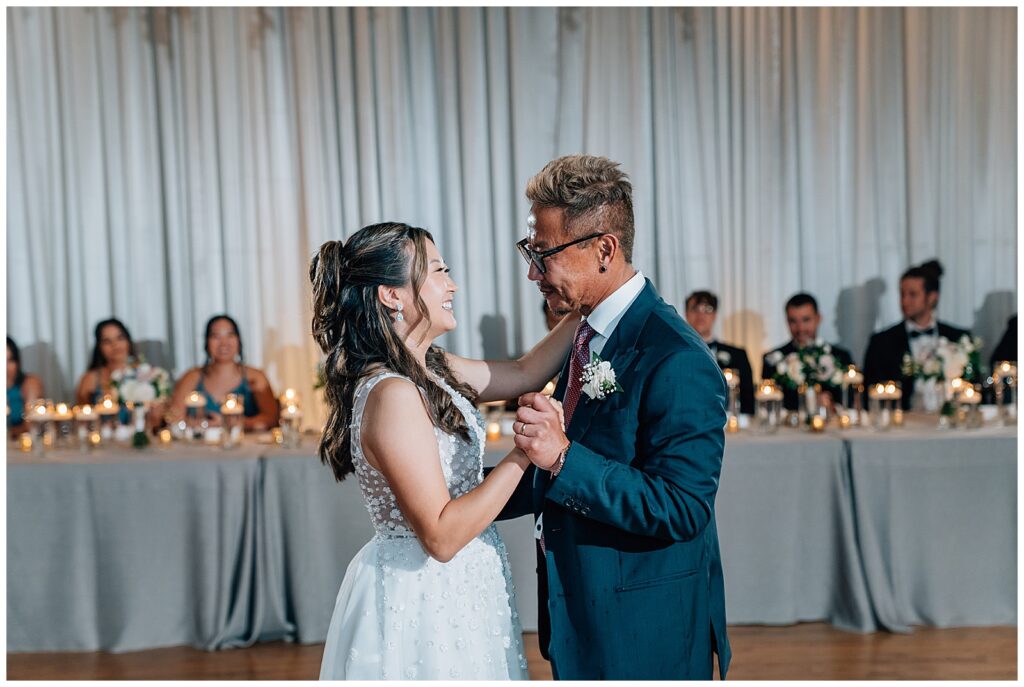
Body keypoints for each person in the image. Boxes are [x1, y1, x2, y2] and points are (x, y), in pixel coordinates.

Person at [312, 222, 579, 680]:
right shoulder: (392, 393)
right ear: (391, 295)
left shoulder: (432, 366)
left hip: (464, 586)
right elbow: (440, 536)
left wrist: (591, 301)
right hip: (422, 596)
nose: (451, 284)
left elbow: (524, 371)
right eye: (437, 271)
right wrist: (525, 451)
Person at [504, 155, 730, 679]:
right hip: (583, 616)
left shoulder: (678, 358)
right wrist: (457, 502)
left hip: (644, 632)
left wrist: (562, 456)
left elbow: (682, 506)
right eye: (530, 252)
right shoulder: (587, 332)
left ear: (604, 248)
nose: (534, 272)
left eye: (545, 254)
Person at [863, 260, 970, 410]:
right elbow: (871, 392)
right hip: (902, 426)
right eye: (902, 294)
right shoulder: (882, 342)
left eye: (912, 295)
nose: (905, 301)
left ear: (932, 297)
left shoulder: (959, 338)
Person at [167, 315, 279, 431]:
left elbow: (271, 419)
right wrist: (196, 423)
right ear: (207, 343)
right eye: (215, 336)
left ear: (238, 340)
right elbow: (174, 417)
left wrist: (232, 423)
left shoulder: (255, 377)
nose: (223, 343)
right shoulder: (192, 377)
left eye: (230, 335)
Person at [761, 293, 854, 411]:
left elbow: (850, 402)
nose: (800, 328)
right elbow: (768, 405)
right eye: (793, 321)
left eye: (806, 320)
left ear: (818, 318)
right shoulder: (772, 359)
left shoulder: (841, 356)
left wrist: (831, 403)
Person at [685, 290, 754, 414]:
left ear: (715, 314)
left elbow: (749, 401)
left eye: (708, 309)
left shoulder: (738, 355)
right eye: (695, 309)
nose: (701, 315)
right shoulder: (675, 355)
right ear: (686, 314)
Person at [74, 318, 138, 425]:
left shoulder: (146, 375)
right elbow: (80, 419)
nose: (115, 345)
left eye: (120, 338)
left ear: (128, 341)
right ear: (99, 347)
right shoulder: (91, 379)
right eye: (107, 341)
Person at [7, 337, 44, 439]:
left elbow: (31, 426)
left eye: (10, 360)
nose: (5, 367)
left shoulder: (29, 383)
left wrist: (11, 432)